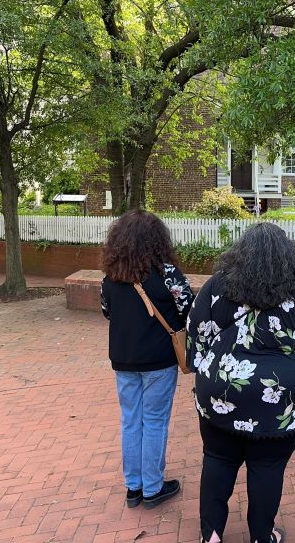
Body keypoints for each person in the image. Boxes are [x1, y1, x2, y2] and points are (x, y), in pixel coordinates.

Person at [187, 222, 295, 543]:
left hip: (222, 393)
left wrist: (202, 371)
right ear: (289, 257)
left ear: (239, 254)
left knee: (218, 458)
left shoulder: (217, 287)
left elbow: (196, 333)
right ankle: (261, 536)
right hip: (284, 399)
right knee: (268, 466)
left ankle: (211, 536)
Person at [100, 209, 195, 510]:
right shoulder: (167, 274)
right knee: (154, 421)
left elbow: (107, 312)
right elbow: (188, 309)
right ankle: (153, 487)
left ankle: (134, 487)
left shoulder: (111, 278)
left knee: (131, 420)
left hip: (124, 359)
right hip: (158, 360)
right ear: (157, 240)